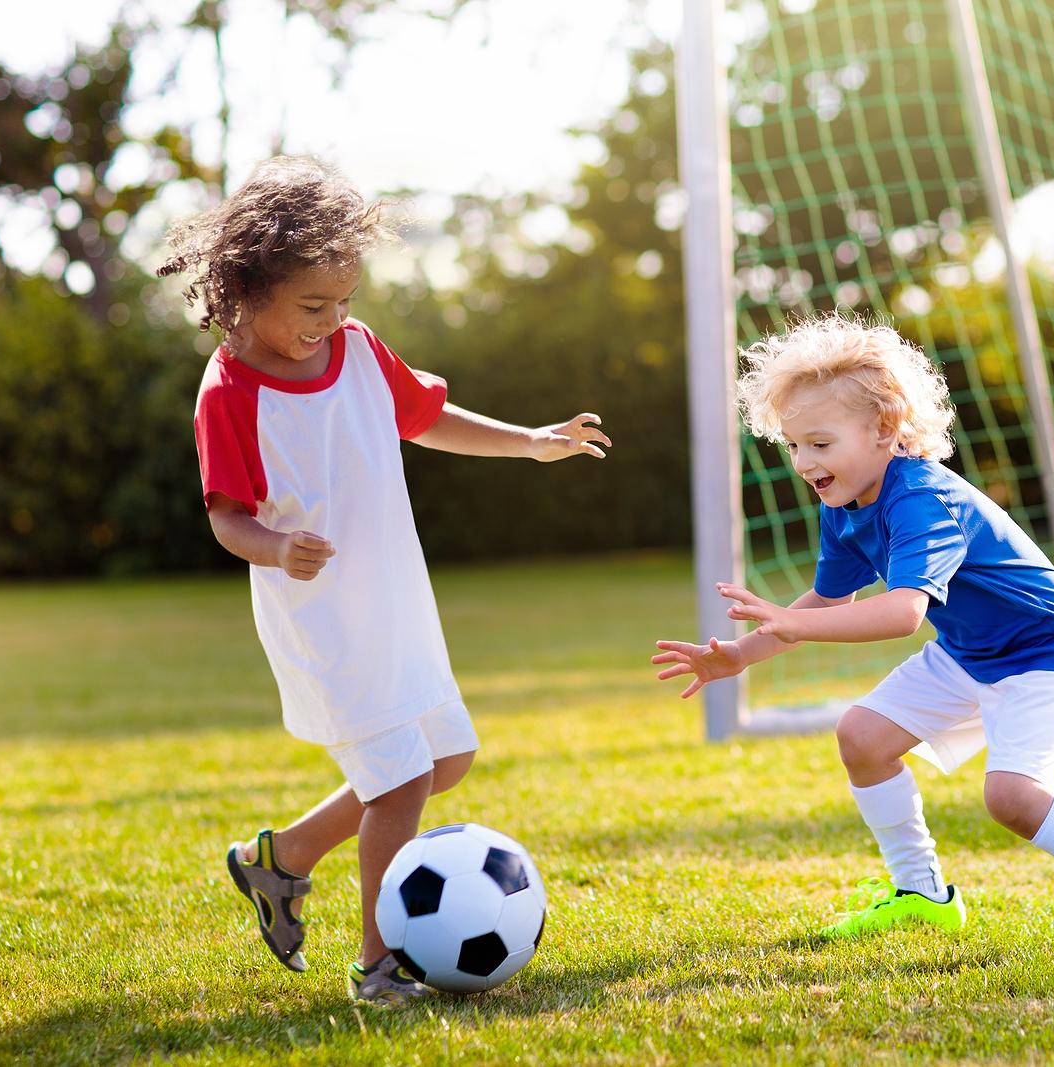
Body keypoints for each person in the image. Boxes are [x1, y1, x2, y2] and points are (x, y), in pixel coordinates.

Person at [160, 156, 611, 1005]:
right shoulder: (229, 390)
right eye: (311, 307)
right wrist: (274, 544)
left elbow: (428, 415)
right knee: (401, 783)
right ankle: (378, 967)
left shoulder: (359, 350)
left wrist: (531, 439)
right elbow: (225, 514)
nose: (331, 322)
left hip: (396, 601)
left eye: (343, 302)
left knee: (448, 755)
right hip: (325, 618)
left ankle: (281, 858)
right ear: (246, 287)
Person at [652, 315, 1054, 957]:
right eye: (795, 446)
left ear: (885, 430)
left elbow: (900, 613)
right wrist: (740, 656)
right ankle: (922, 895)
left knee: (1014, 799)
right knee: (862, 737)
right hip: (970, 653)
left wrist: (790, 621)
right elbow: (830, 598)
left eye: (821, 444)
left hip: (1043, 653)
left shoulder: (922, 498)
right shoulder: (844, 504)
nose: (805, 463)